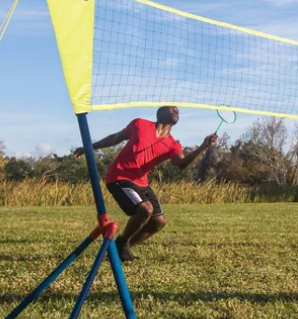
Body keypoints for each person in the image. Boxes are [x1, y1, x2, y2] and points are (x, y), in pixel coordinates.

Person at [74, 106, 217, 261]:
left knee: (158, 222)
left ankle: (120, 248)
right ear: (159, 114)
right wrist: (88, 148)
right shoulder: (140, 124)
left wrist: (204, 146)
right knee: (145, 210)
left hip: (141, 182)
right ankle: (121, 245)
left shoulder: (172, 144)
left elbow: (181, 163)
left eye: (178, 110)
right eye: (172, 108)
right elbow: (115, 138)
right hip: (119, 177)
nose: (176, 110)